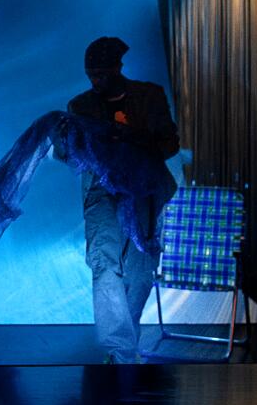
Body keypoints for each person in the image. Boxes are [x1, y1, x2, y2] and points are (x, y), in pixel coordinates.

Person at [69, 36, 179, 364]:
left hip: (145, 191)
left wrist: (134, 141)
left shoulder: (149, 96)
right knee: (104, 264)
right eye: (91, 74)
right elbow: (73, 154)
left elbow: (169, 145)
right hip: (102, 192)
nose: (95, 81)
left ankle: (125, 338)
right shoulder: (81, 105)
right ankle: (119, 350)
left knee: (142, 269)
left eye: (101, 74)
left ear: (118, 68)